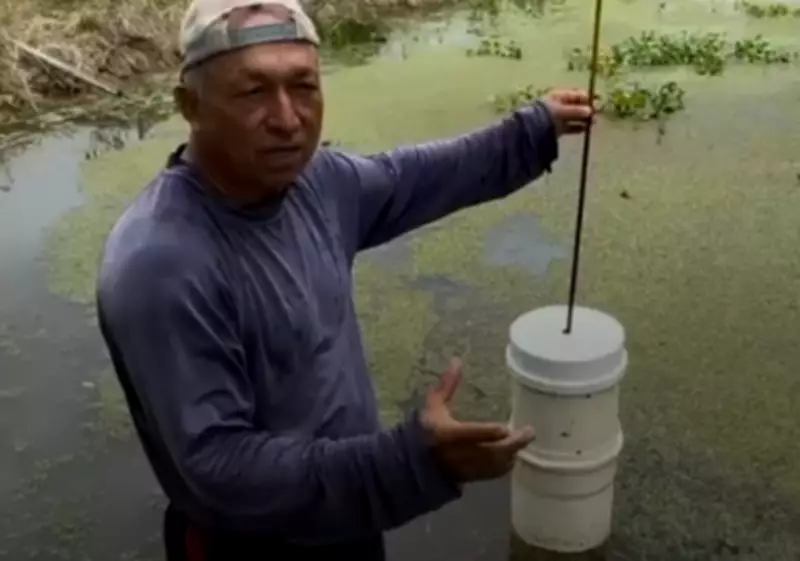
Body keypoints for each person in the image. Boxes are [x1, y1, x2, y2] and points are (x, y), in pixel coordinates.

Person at [95, 0, 595, 559]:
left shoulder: (316, 185)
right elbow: (221, 467)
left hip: (347, 519)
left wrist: (532, 131)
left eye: (303, 86)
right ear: (191, 106)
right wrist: (415, 462)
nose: (287, 119)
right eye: (253, 91)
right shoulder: (162, 263)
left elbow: (417, 176)